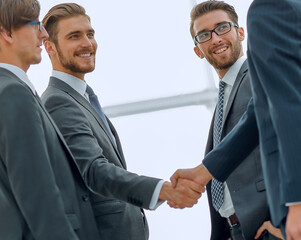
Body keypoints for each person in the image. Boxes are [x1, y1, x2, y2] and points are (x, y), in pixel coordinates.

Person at [40, 3, 204, 240]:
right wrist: (164, 190)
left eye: (90, 34)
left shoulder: (80, 98)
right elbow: (94, 170)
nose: (87, 43)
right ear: (49, 47)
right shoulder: (58, 101)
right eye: (74, 36)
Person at [170, 0, 301, 239]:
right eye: (205, 35)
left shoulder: (257, 72)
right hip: (237, 229)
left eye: (222, 27)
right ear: (197, 49)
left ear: (240, 32)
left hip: (272, 224)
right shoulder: (223, 98)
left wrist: (291, 210)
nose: (216, 38)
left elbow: (289, 118)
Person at [0, 0, 100, 239]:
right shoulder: (13, 93)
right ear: (7, 33)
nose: (43, 34)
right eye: (35, 24)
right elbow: (37, 193)